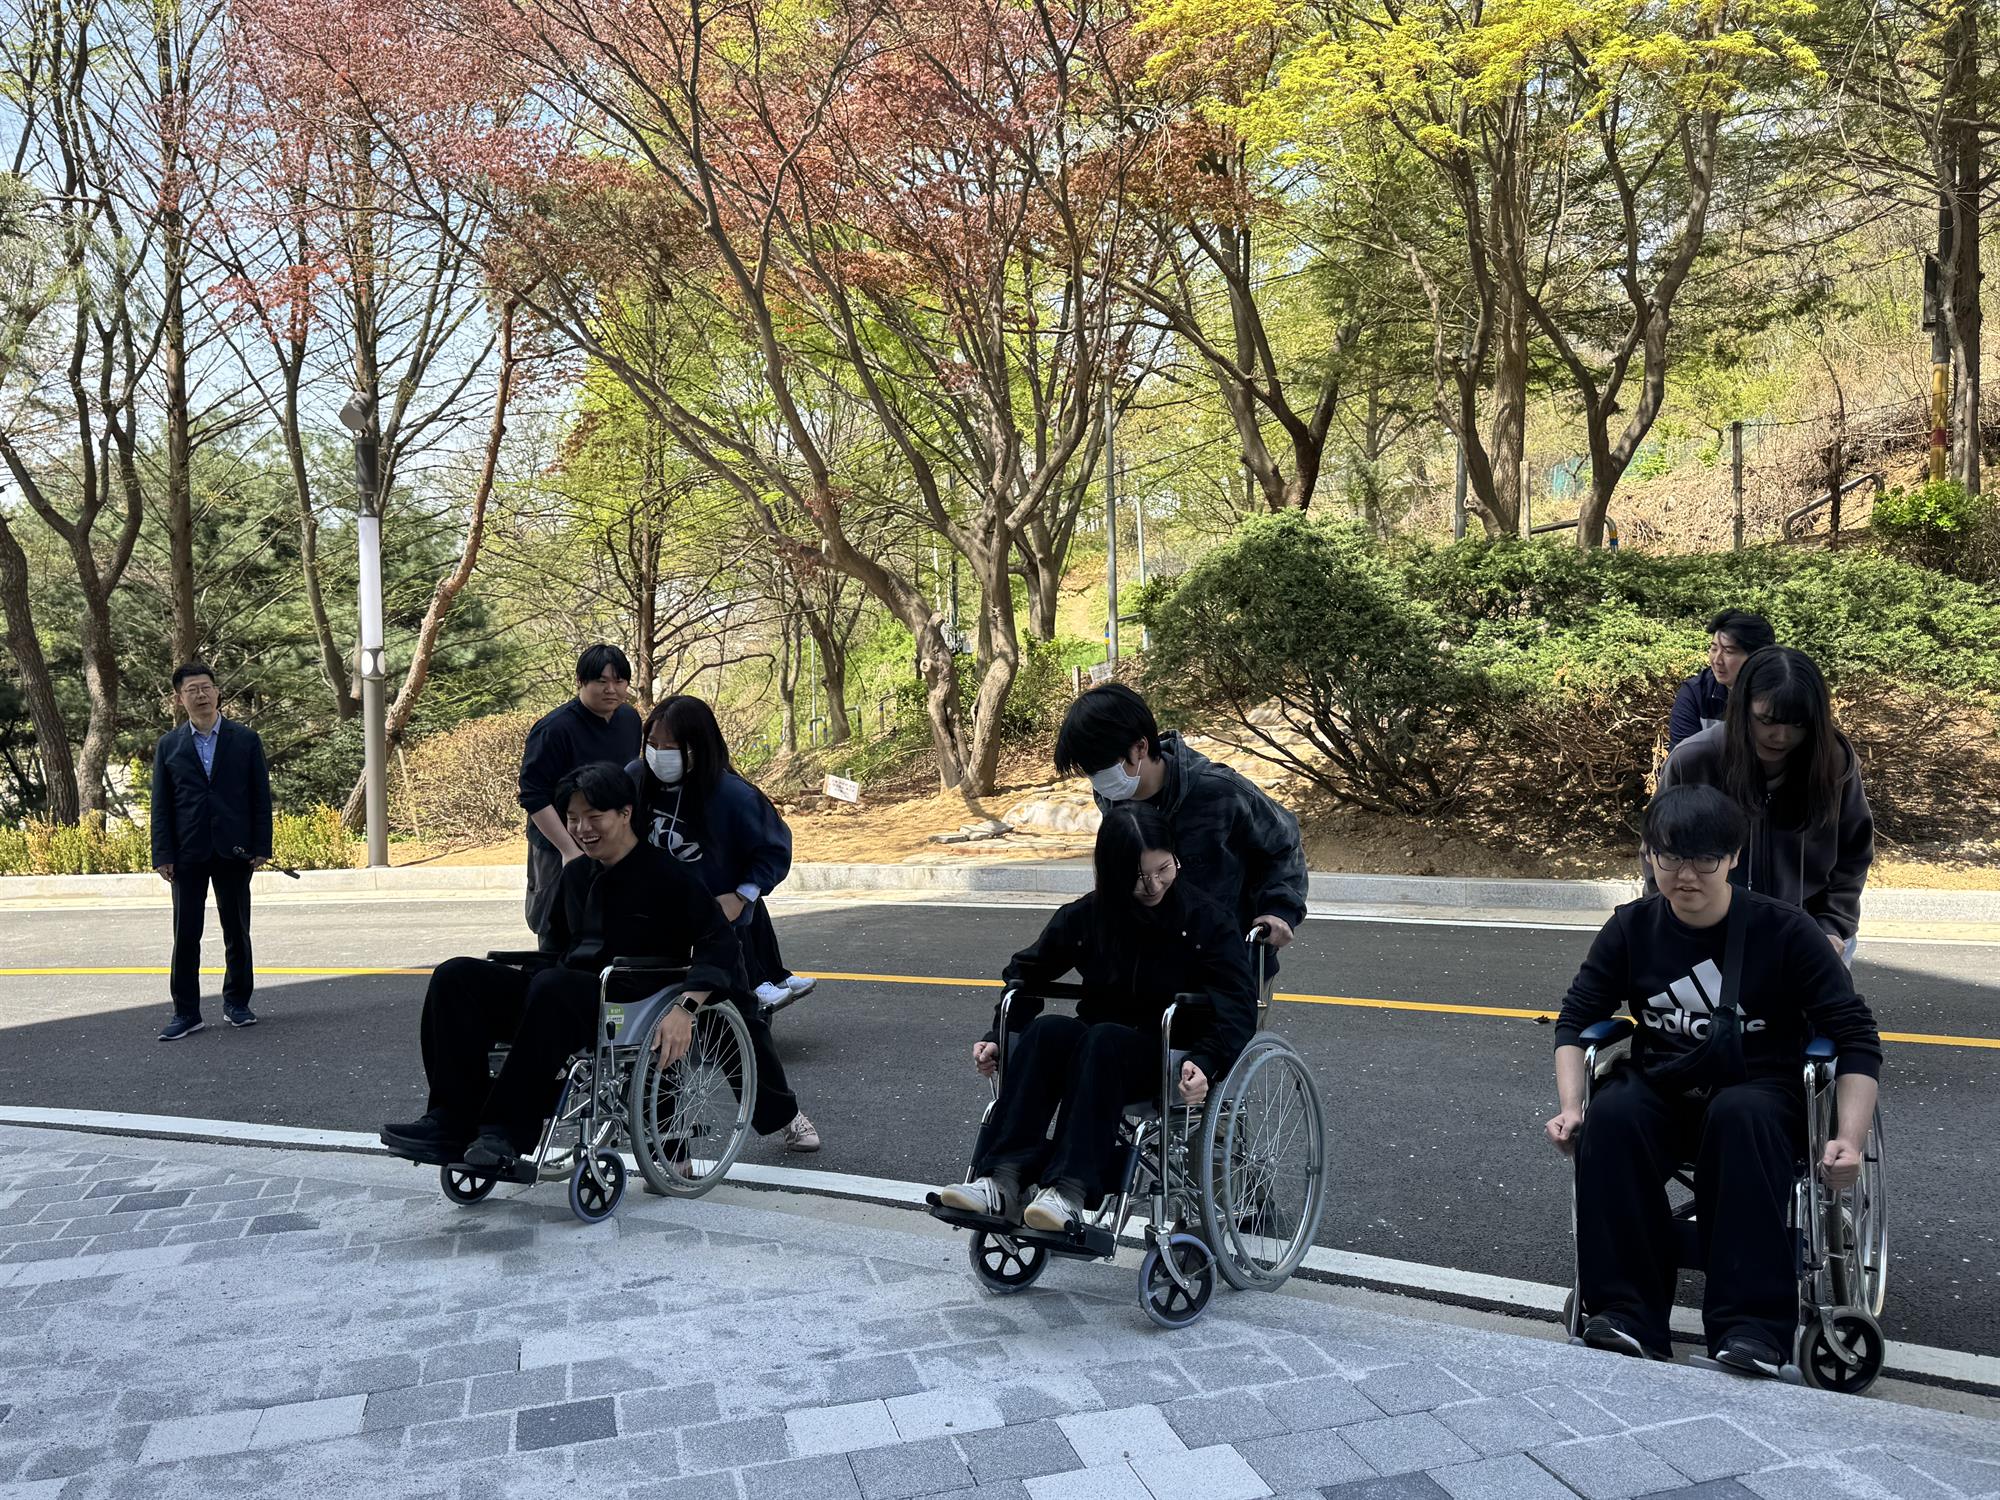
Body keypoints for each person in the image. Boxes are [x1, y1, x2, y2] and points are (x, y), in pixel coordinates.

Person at [1545, 785, 1881, 1376]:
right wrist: (1572, 1105)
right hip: (1663, 1085)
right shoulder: (1632, 928)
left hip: (1759, 1089)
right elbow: (1575, 1020)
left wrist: (1848, 1140)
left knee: (1739, 1116)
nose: (1686, 876)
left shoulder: (1785, 932)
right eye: (1670, 857)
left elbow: (1855, 1038)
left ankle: (1752, 1328)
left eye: (1704, 860)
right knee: (1614, 1117)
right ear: (1649, 856)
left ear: (1732, 857)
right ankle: (1626, 1313)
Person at [381, 763, 741, 1174]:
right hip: (560, 993)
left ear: (625, 813)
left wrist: (686, 1009)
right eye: (572, 819)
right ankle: (451, 1120)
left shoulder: (669, 876)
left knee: (555, 987)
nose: (582, 829)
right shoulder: (577, 876)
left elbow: (719, 943)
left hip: (627, 1000)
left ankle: (505, 1133)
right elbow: (554, 947)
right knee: (455, 976)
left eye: (593, 817)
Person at [938, 804, 1257, 1230]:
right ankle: (1003, 1180)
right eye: (1138, 876)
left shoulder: (1206, 920)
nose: (1153, 884)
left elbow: (1237, 1005)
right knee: (1048, 1030)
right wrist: (1000, 1034)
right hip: (1098, 1049)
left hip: (1169, 1054)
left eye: (1163, 868)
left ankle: (1068, 1191)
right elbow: (1026, 972)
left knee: (1103, 1039)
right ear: (1110, 872)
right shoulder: (1090, 915)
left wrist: (1208, 1059)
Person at [627, 694, 821, 1153]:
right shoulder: (634, 781)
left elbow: (773, 851)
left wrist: (741, 896)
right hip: (647, 929)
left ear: (698, 747)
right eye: (651, 742)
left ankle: (785, 1116)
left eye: (669, 746)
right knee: (655, 1029)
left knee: (742, 1027)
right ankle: (668, 1142)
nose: (658, 754)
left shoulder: (732, 795)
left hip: (713, 931)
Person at [1053, 683, 1307, 964]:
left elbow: (1284, 844)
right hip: (1154, 959)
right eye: (1090, 773)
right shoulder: (1111, 797)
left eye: (1102, 768)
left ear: (1140, 747)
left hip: (1226, 957)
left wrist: (1279, 910)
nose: (1098, 781)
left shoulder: (1221, 791)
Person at [1657, 646, 1874, 962]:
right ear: (1742, 707)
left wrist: (1832, 925)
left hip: (1811, 933)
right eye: (1767, 720)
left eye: (1798, 724)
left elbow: (1854, 853)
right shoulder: (1694, 761)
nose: (1781, 736)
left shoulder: (1833, 761)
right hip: (1709, 932)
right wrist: (1672, 926)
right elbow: (1659, 853)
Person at [150, 663, 273, 1041]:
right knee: (186, 933)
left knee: (236, 929)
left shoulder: (245, 739)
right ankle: (185, 1012)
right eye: (192, 690)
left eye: (206, 687)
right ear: (180, 697)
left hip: (235, 849)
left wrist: (261, 846)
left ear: (217, 692)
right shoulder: (169, 745)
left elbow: (259, 796)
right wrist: (162, 853)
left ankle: (237, 1002)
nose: (200, 695)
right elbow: (162, 804)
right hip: (187, 852)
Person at [518, 645, 643, 949]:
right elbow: (533, 795)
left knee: (613, 920)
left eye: (619, 681)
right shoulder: (555, 729)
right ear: (581, 682)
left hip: (612, 842)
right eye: (601, 681)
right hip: (558, 842)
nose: (611, 689)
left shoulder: (629, 720)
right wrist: (568, 850)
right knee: (555, 922)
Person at [1667, 609, 1776, 751]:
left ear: (1758, 656)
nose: (1717, 660)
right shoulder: (1696, 692)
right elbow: (1682, 760)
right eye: (1713, 649)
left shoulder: (1780, 691)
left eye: (1728, 651)